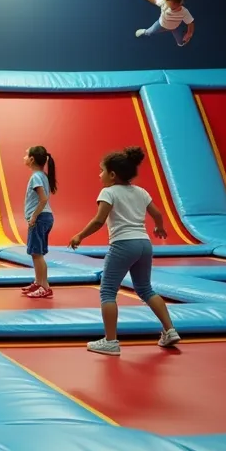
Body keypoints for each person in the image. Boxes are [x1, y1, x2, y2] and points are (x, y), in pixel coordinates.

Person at [67, 147, 180, 356]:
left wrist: (80, 236)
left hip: (123, 244)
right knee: (146, 289)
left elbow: (99, 220)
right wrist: (159, 227)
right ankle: (170, 330)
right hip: (144, 244)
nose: (99, 174)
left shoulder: (108, 192)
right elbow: (156, 213)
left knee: (108, 291)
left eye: (101, 171)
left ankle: (110, 341)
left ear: (112, 175)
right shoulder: (140, 191)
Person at [22, 146, 57, 299]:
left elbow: (43, 199)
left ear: (32, 159)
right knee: (37, 253)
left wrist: (34, 216)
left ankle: (44, 286)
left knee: (37, 254)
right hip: (45, 217)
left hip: (41, 218)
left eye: (25, 155)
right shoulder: (42, 175)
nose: (24, 157)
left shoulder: (36, 176)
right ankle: (38, 282)